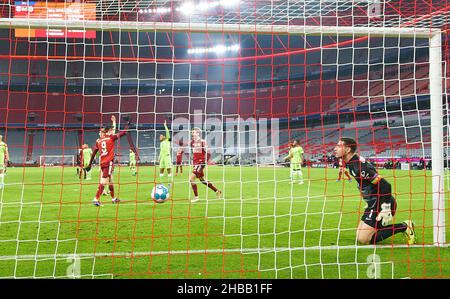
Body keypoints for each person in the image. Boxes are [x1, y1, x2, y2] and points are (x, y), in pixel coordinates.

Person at [333, 137, 416, 245]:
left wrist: (385, 208)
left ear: (348, 150)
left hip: (382, 204)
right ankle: (379, 227)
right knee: (359, 236)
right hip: (373, 203)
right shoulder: (352, 163)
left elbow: (385, 184)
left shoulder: (360, 168)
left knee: (364, 239)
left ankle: (405, 226)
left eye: (339, 146)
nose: (335, 148)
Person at [85, 116, 127, 206]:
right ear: (108, 131)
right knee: (104, 181)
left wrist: (89, 164)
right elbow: (121, 133)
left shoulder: (99, 141)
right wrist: (127, 127)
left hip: (102, 162)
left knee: (111, 181)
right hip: (108, 162)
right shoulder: (111, 138)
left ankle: (113, 198)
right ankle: (96, 199)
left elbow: (93, 153)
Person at [189, 127, 221, 203]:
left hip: (201, 163)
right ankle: (217, 191)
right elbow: (194, 153)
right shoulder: (192, 143)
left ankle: (196, 197)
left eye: (194, 132)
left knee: (191, 179)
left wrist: (205, 161)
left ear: (198, 133)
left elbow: (209, 152)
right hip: (195, 163)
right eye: (192, 132)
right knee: (202, 180)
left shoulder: (203, 142)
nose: (192, 134)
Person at [158, 120, 173, 187]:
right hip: (162, 158)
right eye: (160, 136)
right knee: (161, 169)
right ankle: (161, 183)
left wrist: (165, 126)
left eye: (162, 135)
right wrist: (159, 158)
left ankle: (169, 182)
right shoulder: (161, 143)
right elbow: (161, 151)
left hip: (167, 156)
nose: (161, 136)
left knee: (168, 170)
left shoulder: (167, 140)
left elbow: (167, 133)